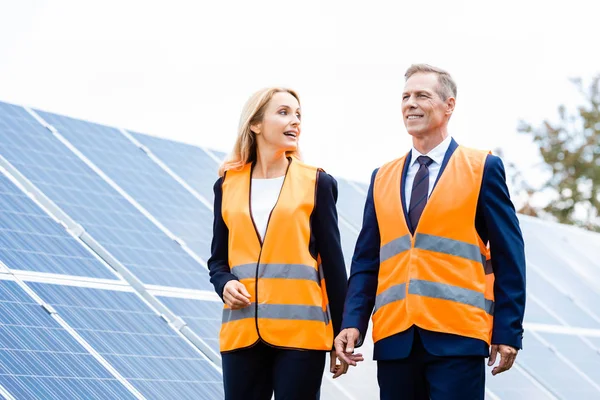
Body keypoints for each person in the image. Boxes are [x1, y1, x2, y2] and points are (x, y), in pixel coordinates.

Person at [334, 64, 526, 399]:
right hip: (395, 340)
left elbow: (510, 256)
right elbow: (366, 262)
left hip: (458, 338)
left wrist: (508, 331)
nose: (410, 103)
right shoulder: (382, 177)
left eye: (421, 95)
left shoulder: (482, 168)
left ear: (449, 105)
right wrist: (353, 322)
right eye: (405, 96)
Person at [208, 87, 357, 400]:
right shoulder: (227, 184)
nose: (295, 121)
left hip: (302, 336)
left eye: (298, 114)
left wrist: (340, 336)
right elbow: (217, 261)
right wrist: (224, 283)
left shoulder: (317, 182)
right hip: (241, 334)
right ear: (256, 124)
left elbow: (333, 265)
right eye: (284, 112)